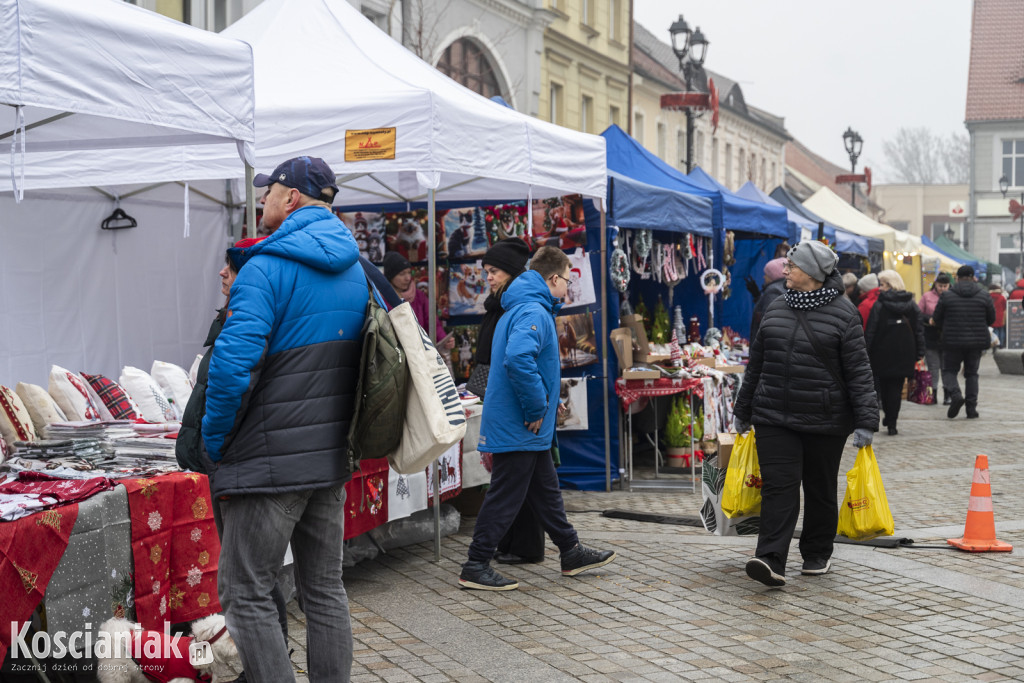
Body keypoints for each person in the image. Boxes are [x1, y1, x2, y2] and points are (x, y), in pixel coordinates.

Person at [203, 156, 366, 681]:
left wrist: (213, 443)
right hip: (329, 456)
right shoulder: (355, 269)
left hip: (270, 460)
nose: (262, 199)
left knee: (244, 592)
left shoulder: (265, 266)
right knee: (324, 589)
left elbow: (231, 368)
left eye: (268, 190)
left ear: (290, 196)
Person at [458, 246, 616, 591]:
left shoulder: (524, 306)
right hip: (520, 423)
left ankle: (570, 550)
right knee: (505, 496)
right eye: (567, 281)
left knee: (545, 491)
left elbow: (528, 364)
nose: (568, 288)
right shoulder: (533, 310)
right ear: (554, 278)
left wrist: (548, 402)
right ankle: (476, 564)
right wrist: (535, 407)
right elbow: (518, 359)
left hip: (524, 424)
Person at [732, 240, 878, 587]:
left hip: (825, 420)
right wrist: (743, 408)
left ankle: (816, 553)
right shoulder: (776, 306)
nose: (785, 270)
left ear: (811, 272)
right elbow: (757, 363)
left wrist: (866, 422)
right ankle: (770, 559)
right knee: (778, 488)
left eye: (791, 266)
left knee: (819, 487)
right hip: (773, 416)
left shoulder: (845, 313)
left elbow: (859, 371)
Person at [175, 237, 288, 683]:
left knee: (248, 581)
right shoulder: (235, 313)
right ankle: (261, 663)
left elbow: (231, 386)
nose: (223, 273)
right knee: (256, 578)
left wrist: (214, 446)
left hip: (239, 461)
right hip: (234, 461)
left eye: (232, 266)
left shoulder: (250, 315)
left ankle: (262, 668)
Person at [471, 238, 546, 566]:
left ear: (512, 272)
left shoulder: (516, 307)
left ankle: (521, 547)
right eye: (486, 271)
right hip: (501, 394)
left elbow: (518, 359)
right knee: (526, 479)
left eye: (495, 271)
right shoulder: (497, 304)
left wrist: (534, 406)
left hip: (514, 399)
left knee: (516, 479)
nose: (489, 277)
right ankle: (532, 543)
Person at [865, 270, 925, 435]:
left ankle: (889, 416)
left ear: (891, 285)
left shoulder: (879, 305)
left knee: (884, 387)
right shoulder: (911, 305)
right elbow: (919, 330)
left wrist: (865, 351)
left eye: (883, 284)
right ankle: (892, 421)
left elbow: (871, 330)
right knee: (896, 389)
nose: (880, 288)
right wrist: (920, 352)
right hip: (905, 353)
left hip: (882, 352)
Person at [933, 265, 996, 419]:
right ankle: (971, 409)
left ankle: (955, 395)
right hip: (976, 342)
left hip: (952, 342)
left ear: (957, 278)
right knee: (972, 374)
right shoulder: (984, 295)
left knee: (949, 371)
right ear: (973, 277)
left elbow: (936, 319)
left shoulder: (947, 296)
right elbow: (991, 319)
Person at [382, 250, 447, 342]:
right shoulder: (382, 300)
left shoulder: (420, 296)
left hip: (419, 348)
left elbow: (433, 323)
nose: (407, 278)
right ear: (390, 277)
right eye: (402, 274)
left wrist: (444, 340)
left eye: (409, 272)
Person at [918, 273, 952, 404]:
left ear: (949, 285)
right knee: (933, 367)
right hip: (931, 335)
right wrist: (929, 319)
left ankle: (947, 395)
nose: (942, 288)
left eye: (945, 286)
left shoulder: (952, 297)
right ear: (935, 284)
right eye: (940, 286)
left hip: (947, 336)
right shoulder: (927, 296)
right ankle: (932, 395)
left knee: (946, 367)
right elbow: (919, 313)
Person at [749, 257, 787, 342]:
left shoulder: (773, 291)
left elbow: (769, 323)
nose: (764, 277)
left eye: (766, 274)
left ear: (773, 276)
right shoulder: (784, 289)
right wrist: (758, 297)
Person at [989, 283, 1007, 348]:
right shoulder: (1002, 297)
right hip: (1001, 316)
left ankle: (996, 344)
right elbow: (1005, 309)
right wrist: (1004, 319)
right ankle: (1001, 344)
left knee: (994, 331)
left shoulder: (989, 297)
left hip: (992, 316)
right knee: (1001, 330)